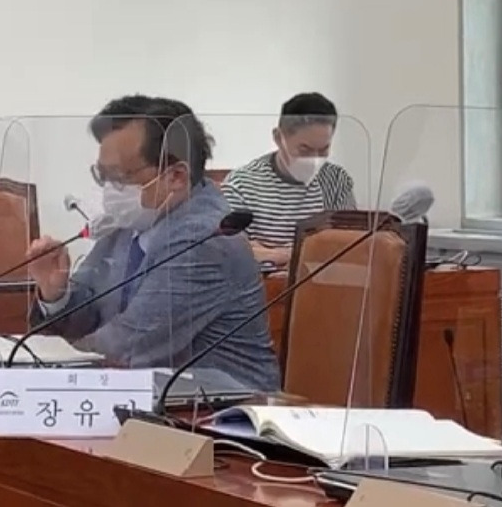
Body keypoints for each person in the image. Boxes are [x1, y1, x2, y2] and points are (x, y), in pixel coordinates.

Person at [25, 95, 280, 392]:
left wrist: (32, 365)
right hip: (145, 396)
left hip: (225, 407)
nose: (109, 189)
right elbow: (90, 314)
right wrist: (56, 295)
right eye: (102, 175)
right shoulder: (132, 220)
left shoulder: (205, 238)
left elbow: (127, 346)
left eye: (118, 176)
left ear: (176, 176)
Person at [221, 92, 356, 268]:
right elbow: (230, 253)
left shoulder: (336, 181)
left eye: (323, 150)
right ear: (279, 138)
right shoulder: (241, 185)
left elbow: (346, 250)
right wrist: (304, 252)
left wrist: (270, 254)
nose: (315, 160)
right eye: (305, 150)